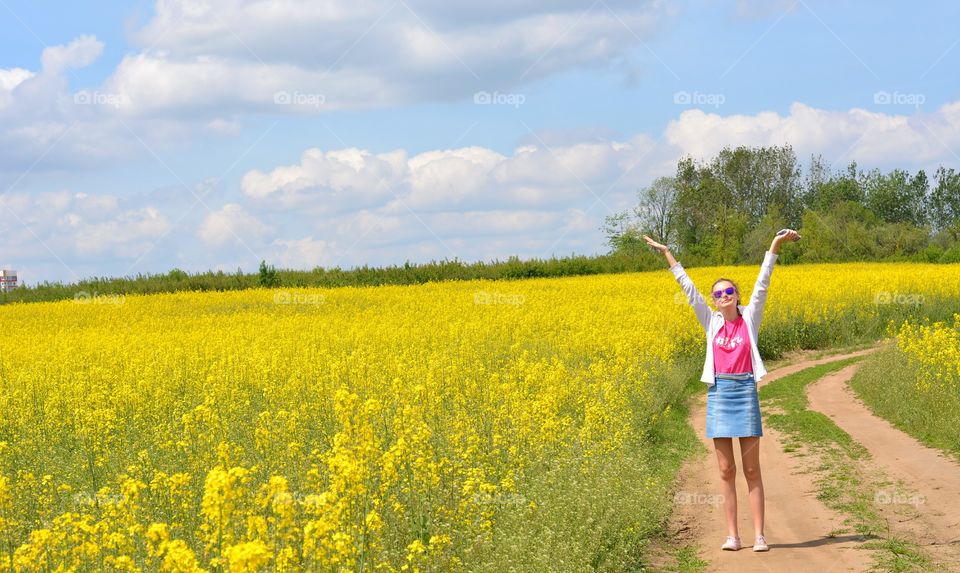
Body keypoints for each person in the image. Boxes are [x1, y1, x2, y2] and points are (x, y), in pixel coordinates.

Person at [643, 229, 801, 553]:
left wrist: (774, 244)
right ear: (713, 300)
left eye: (728, 291)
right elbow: (687, 289)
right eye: (718, 293)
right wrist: (666, 253)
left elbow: (763, 283)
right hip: (718, 395)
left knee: (752, 468)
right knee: (726, 470)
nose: (723, 296)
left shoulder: (749, 318)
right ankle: (733, 536)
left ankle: (759, 536)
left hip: (744, 391)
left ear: (737, 295)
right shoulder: (711, 321)